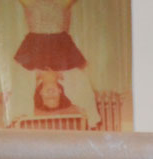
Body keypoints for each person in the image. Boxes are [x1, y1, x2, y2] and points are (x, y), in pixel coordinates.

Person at [9, 0, 101, 128]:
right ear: (59, 91)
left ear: (40, 94)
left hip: (36, 48)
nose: (51, 94)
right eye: (54, 97)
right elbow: (86, 103)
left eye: (47, 98)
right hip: (60, 47)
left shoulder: (27, 76)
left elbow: (18, 104)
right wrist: (88, 115)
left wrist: (17, 115)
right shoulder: (72, 77)